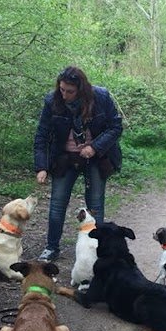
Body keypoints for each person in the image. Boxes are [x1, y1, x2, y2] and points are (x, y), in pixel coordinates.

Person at [33, 66, 123, 262]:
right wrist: (42, 166)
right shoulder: (52, 101)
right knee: (57, 203)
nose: (64, 95)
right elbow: (42, 134)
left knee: (95, 203)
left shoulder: (101, 97)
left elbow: (116, 127)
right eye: (62, 89)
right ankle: (51, 247)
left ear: (81, 89)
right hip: (65, 158)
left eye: (70, 91)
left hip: (97, 157)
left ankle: (97, 247)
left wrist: (95, 147)